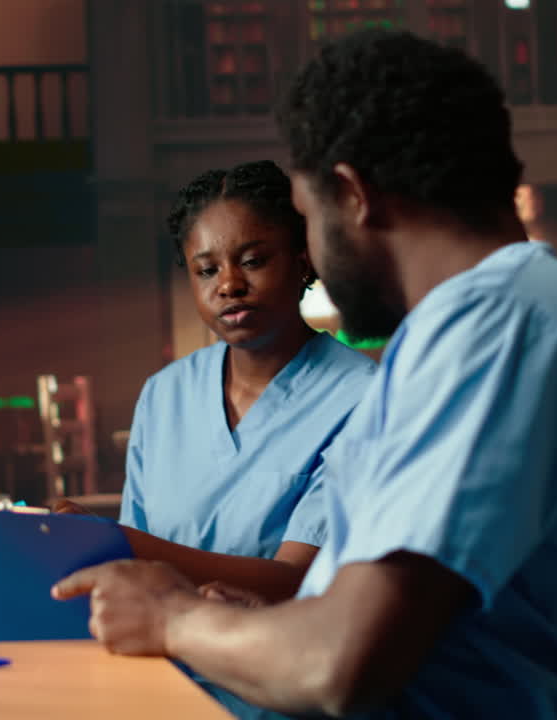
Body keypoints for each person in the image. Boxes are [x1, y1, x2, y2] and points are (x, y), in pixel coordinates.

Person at [53, 30, 557, 719]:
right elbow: (370, 607)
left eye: (306, 214)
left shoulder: (497, 327)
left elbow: (338, 664)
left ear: (352, 195)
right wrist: (252, 622)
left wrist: (172, 617)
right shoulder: (524, 308)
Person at [57, 160, 375, 602]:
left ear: (303, 261)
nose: (229, 284)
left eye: (253, 261)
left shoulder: (363, 397)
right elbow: (135, 567)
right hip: (162, 652)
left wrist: (114, 544)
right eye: (206, 270)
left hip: (277, 656)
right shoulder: (164, 394)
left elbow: (299, 580)